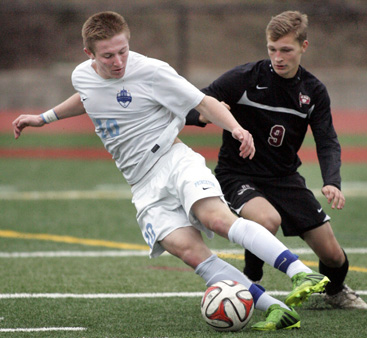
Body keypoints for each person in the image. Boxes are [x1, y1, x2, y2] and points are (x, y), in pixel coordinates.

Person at [12, 11, 331, 331]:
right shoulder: (82, 74)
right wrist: (44, 118)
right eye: (108, 55)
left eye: (123, 51)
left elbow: (205, 102)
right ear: (90, 55)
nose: (118, 61)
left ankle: (300, 271)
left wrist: (237, 129)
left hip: (173, 160)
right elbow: (88, 96)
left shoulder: (151, 71)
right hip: (141, 183)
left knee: (216, 218)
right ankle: (276, 308)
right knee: (191, 253)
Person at [187, 10, 367, 310]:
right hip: (238, 174)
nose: (278, 57)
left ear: (303, 47)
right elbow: (194, 103)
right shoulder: (244, 78)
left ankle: (335, 292)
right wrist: (202, 114)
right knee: (266, 220)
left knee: (334, 256)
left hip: (284, 178)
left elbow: (326, 139)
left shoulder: (313, 91)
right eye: (272, 49)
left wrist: (332, 181)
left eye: (286, 50)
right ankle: (250, 279)